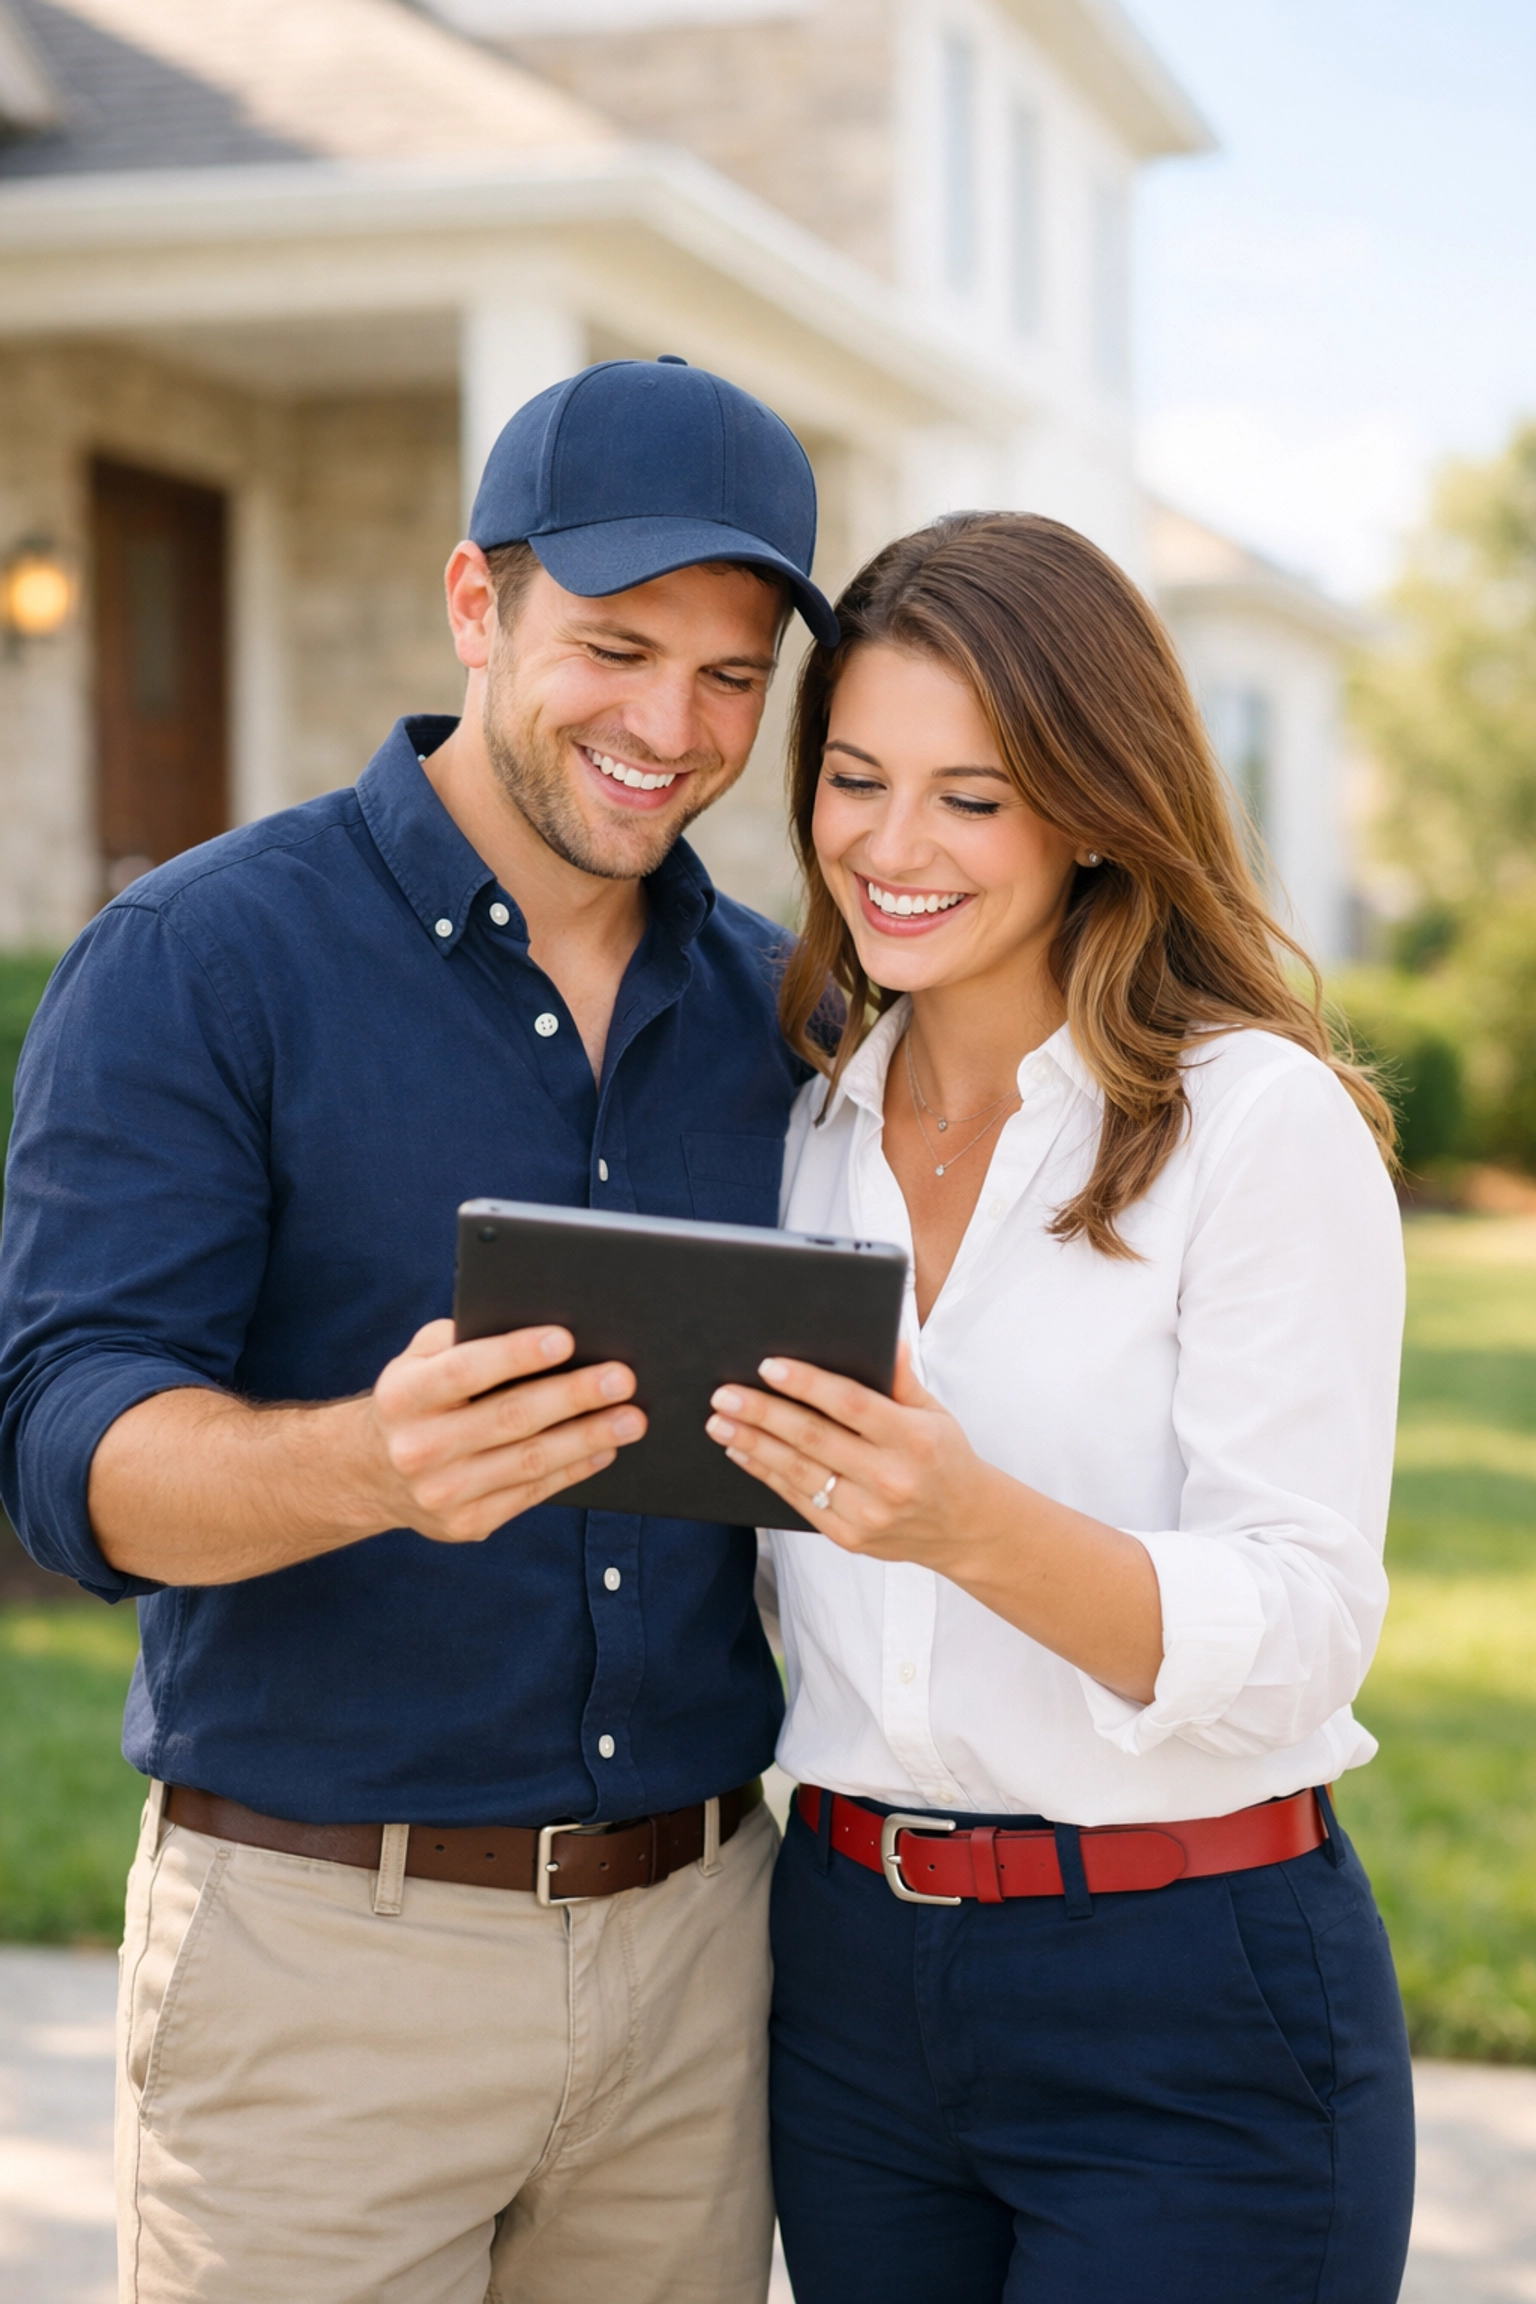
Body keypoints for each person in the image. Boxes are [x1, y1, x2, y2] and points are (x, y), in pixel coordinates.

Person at [0, 356, 838, 2304]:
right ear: (477, 604)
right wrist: (364, 1464)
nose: (671, 726)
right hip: (322, 1968)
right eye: (616, 647)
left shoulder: (780, 1012)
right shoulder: (204, 959)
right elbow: (63, 1447)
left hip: (703, 1961)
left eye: (732, 677)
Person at [706, 512, 1416, 2304]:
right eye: (856, 779)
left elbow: (1307, 1625)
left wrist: (968, 1524)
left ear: (1095, 804)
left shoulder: (1253, 1125)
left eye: (974, 794)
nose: (894, 845)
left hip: (1187, 1999)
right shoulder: (800, 1140)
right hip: (850, 1987)